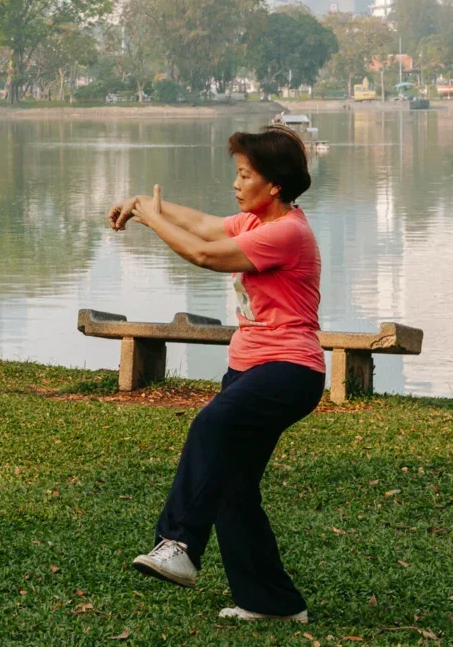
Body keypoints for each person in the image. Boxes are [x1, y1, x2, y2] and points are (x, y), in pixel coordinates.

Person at [107, 126, 324, 624]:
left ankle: (178, 544)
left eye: (245, 175)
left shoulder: (287, 233)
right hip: (249, 369)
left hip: (288, 370)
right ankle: (272, 603)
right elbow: (204, 225)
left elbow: (204, 254)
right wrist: (144, 204)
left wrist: (149, 218)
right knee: (232, 487)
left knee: (211, 426)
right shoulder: (255, 220)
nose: (236, 182)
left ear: (274, 185)